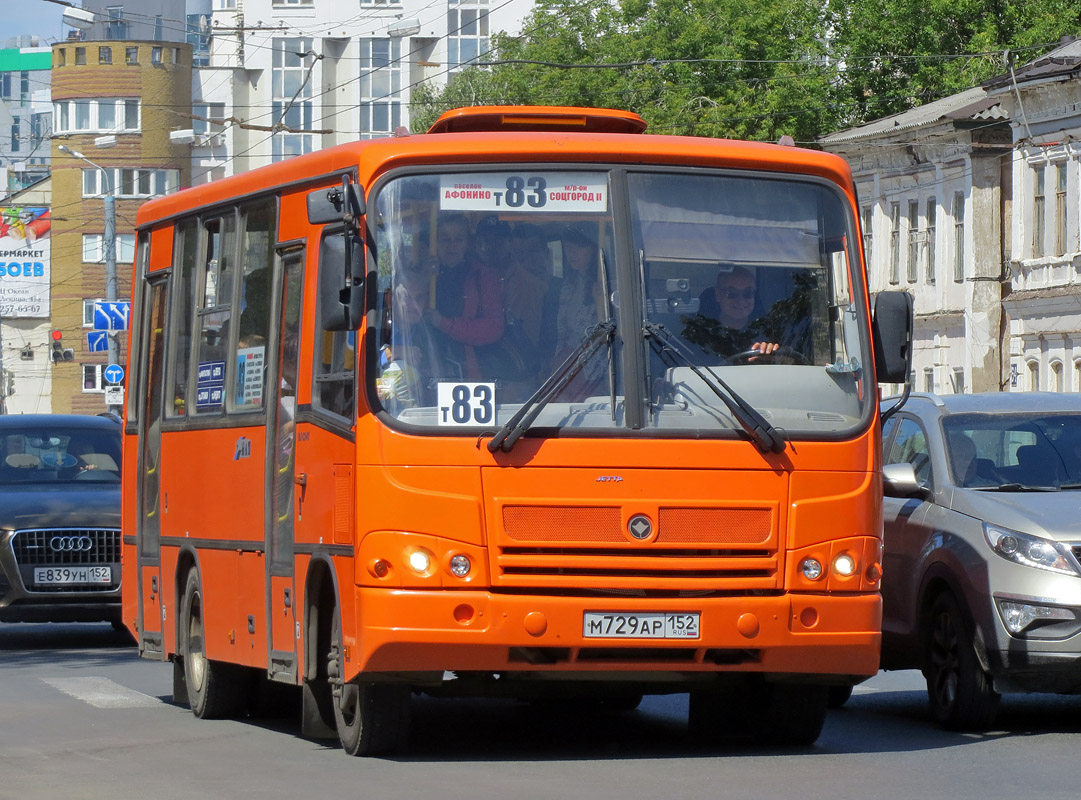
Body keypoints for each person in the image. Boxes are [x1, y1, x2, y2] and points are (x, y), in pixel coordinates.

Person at [425, 214, 504, 381]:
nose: (451, 246)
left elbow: (493, 327)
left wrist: (445, 324)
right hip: (427, 362)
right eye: (445, 239)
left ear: (468, 243)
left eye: (458, 239)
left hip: (470, 367)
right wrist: (422, 277)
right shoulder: (425, 274)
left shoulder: (482, 276)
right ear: (435, 243)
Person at [552, 221, 609, 391]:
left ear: (594, 249)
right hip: (567, 365)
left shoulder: (608, 284)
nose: (572, 253)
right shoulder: (569, 283)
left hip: (595, 373)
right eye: (568, 247)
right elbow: (562, 332)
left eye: (579, 247)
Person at [682, 265, 780, 360]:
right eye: (731, 293)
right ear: (718, 295)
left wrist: (774, 357)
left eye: (747, 293)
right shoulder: (696, 339)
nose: (741, 301)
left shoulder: (770, 334)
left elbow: (790, 363)